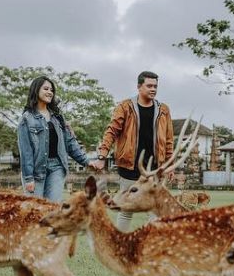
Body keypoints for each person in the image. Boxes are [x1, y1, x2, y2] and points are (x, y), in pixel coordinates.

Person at [95, 71, 174, 230]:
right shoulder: (125, 107)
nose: (153, 89)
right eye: (149, 86)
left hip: (154, 169)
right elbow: (112, 131)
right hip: (129, 167)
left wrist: (170, 164)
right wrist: (102, 155)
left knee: (155, 210)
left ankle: (150, 247)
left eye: (155, 86)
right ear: (139, 86)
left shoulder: (163, 110)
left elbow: (169, 139)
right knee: (126, 208)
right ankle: (119, 246)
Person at [17, 76, 95, 202]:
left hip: (57, 167)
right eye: (46, 89)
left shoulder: (57, 117)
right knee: (34, 211)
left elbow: (70, 143)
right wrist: (28, 178)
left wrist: (86, 161)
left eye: (52, 90)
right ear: (36, 90)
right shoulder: (26, 119)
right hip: (36, 170)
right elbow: (26, 152)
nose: (50, 92)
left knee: (53, 209)